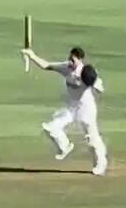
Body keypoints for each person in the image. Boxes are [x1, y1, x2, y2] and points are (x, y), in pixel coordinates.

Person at [21, 44, 108, 176]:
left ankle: (100, 163)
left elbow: (98, 86)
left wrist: (95, 85)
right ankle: (65, 146)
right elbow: (47, 65)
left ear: (80, 59)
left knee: (92, 139)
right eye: (70, 58)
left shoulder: (86, 72)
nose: (70, 62)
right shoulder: (66, 67)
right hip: (71, 108)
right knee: (51, 128)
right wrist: (31, 55)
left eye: (73, 60)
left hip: (86, 110)